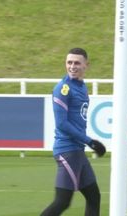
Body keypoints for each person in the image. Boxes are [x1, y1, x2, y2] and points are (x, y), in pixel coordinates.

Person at [40, 48, 106, 216]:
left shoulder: (81, 87)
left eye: (77, 63)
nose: (72, 66)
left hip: (77, 152)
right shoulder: (63, 89)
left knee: (93, 197)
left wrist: (86, 143)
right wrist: (90, 141)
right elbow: (62, 124)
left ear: (86, 65)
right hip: (67, 150)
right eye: (69, 62)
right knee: (62, 201)